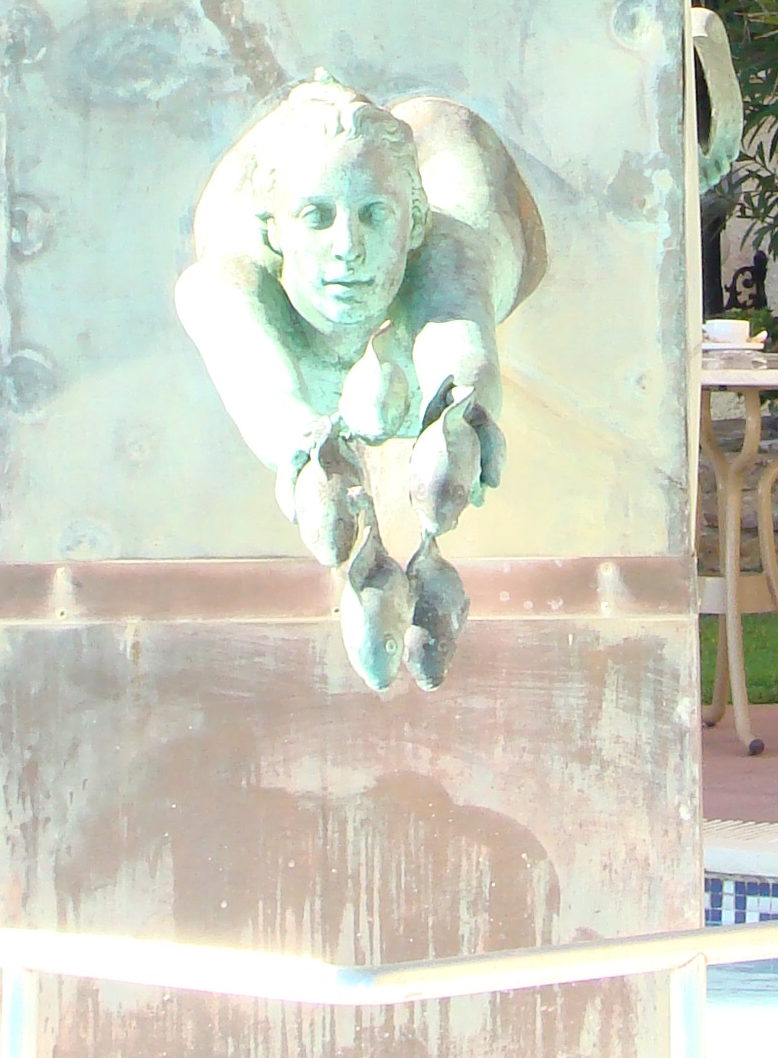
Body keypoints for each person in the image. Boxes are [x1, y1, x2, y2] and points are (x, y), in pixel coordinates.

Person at [175, 76, 546, 692]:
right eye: (317, 218)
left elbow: (459, 335)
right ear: (273, 229)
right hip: (288, 259)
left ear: (414, 223)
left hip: (453, 155)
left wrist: (465, 411)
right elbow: (267, 396)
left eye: (375, 215)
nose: (348, 248)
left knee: (465, 231)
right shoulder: (229, 287)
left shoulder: (448, 247)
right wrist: (306, 458)